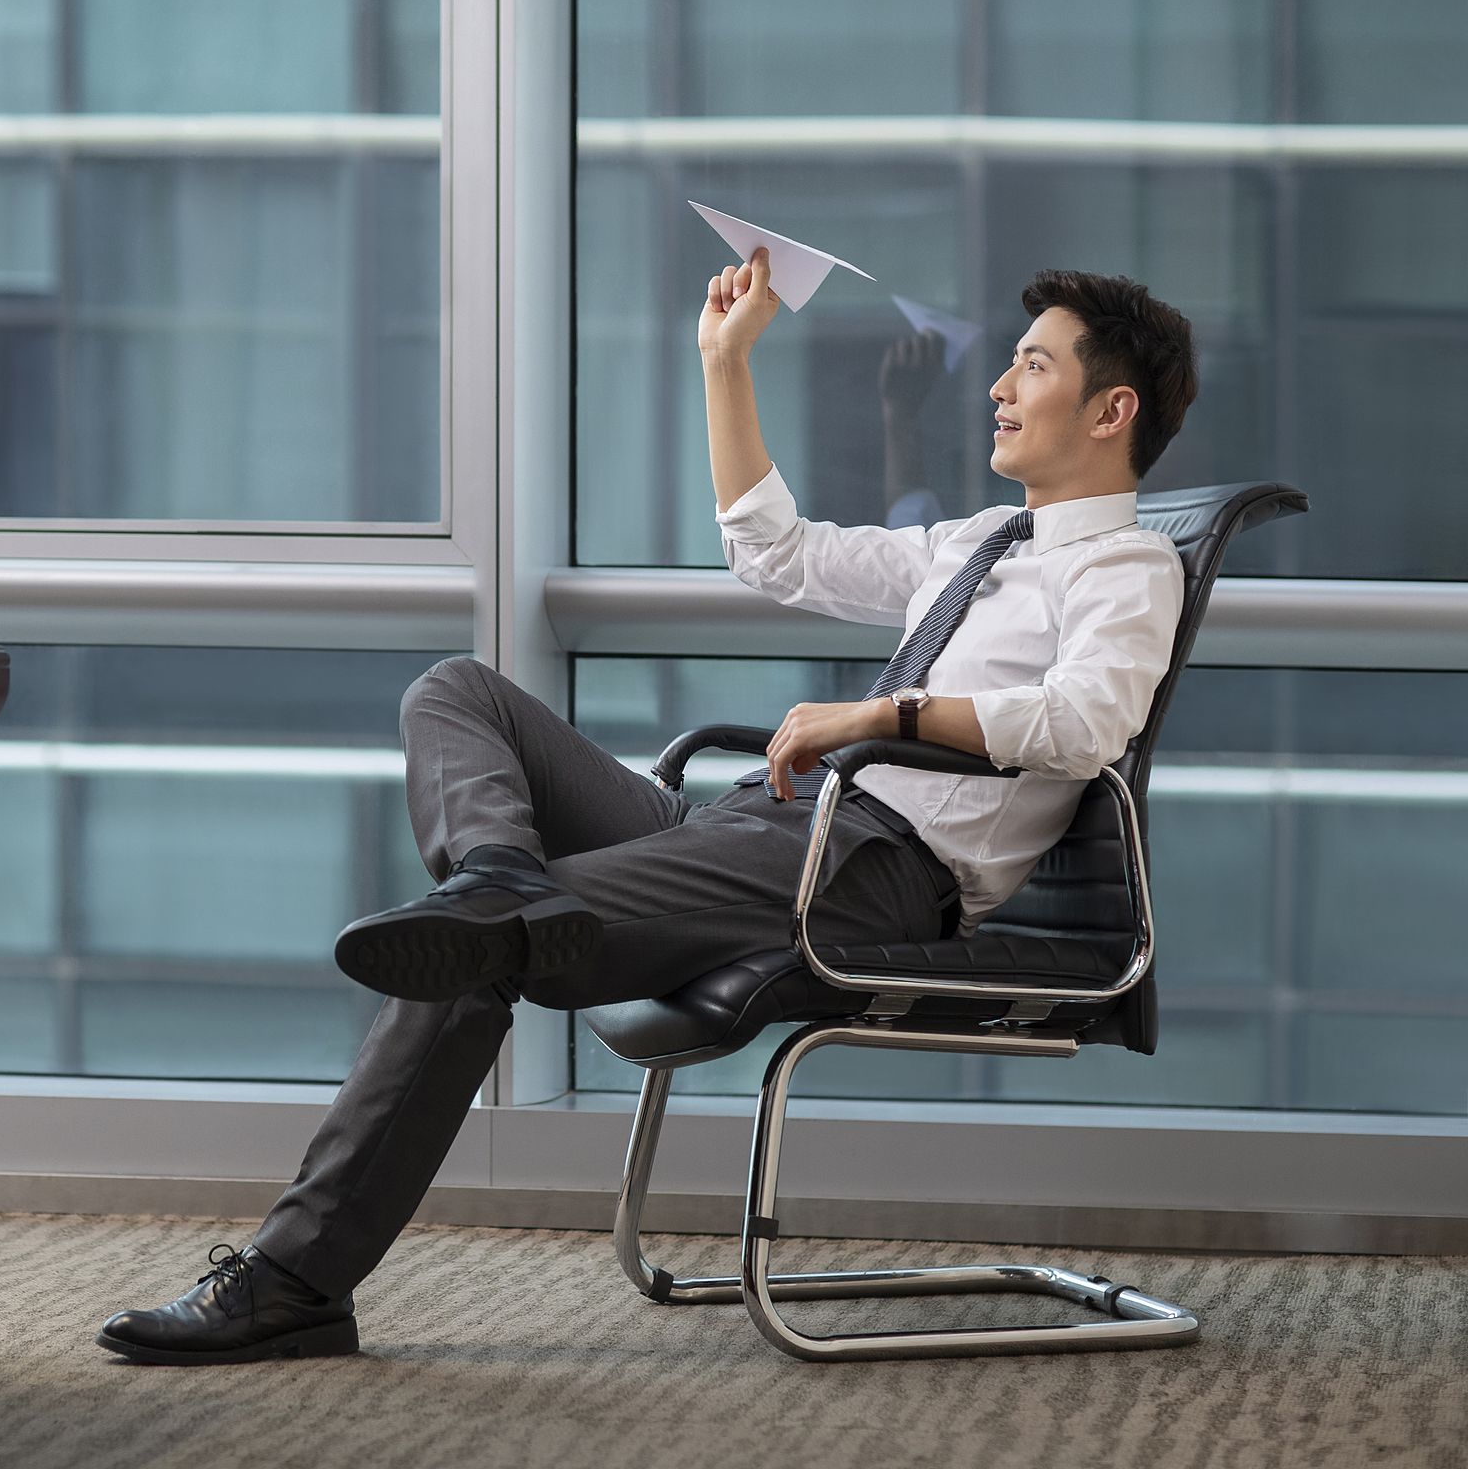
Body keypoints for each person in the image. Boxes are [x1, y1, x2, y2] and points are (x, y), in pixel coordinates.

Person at [96, 248, 1199, 1365]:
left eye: (1031, 367)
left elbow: (1084, 723)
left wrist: (876, 717)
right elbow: (774, 553)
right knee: (457, 690)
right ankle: (498, 871)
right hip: (756, 826)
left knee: (471, 947)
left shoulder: (1125, 566)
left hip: (866, 861)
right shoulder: (973, 543)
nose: (1000, 389)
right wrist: (726, 362)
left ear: (1112, 409)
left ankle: (293, 1280)